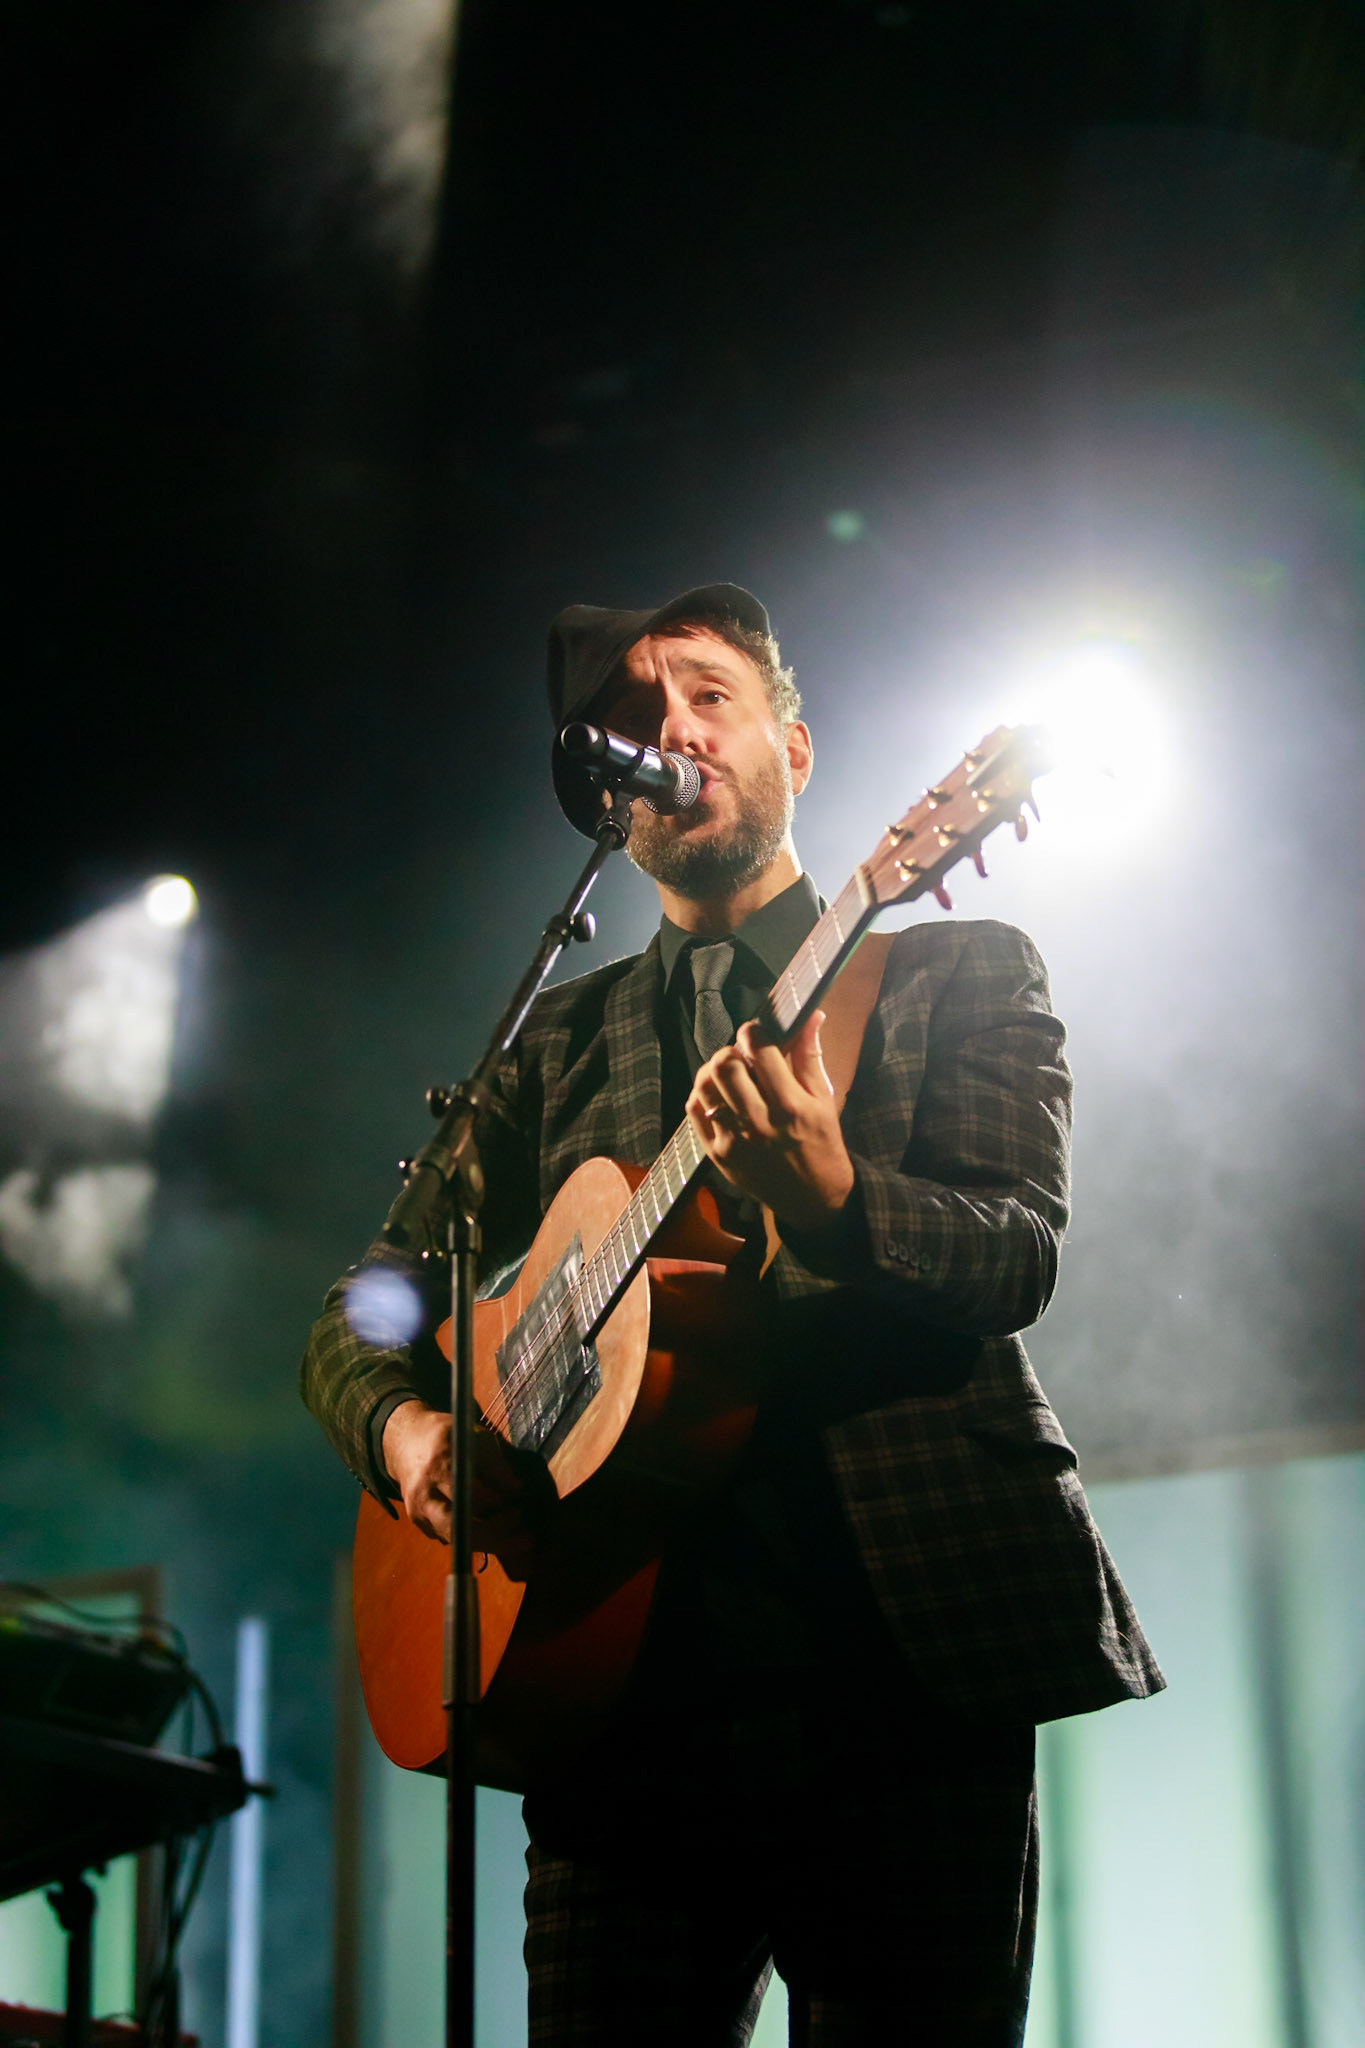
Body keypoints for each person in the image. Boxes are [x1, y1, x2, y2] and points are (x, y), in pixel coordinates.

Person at [302, 583, 1164, 2046]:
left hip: (897, 1672)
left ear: (798, 752)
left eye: (707, 696)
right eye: (634, 720)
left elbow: (1013, 1258)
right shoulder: (552, 1038)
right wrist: (408, 1433)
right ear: (604, 794)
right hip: (609, 1698)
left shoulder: (957, 967)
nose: (672, 734)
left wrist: (836, 1201)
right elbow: (370, 1297)